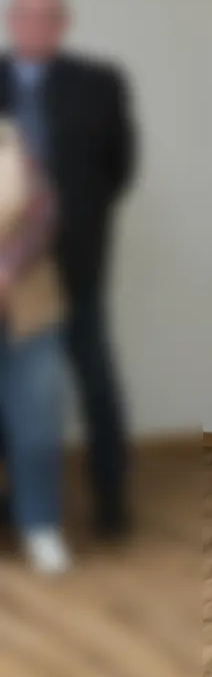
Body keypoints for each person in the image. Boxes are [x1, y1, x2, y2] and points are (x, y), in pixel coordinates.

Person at [0, 0, 136, 537]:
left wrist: (69, 221)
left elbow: (119, 166)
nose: (34, 26)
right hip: (5, 264)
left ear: (60, 24)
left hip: (75, 259)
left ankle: (111, 504)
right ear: (12, 22)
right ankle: (17, 504)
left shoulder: (98, 82)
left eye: (45, 17)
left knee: (93, 378)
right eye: (24, 16)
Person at [0, 119, 70, 573]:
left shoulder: (14, 141)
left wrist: (7, 270)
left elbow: (42, 212)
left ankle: (40, 524)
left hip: (27, 305)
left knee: (36, 424)